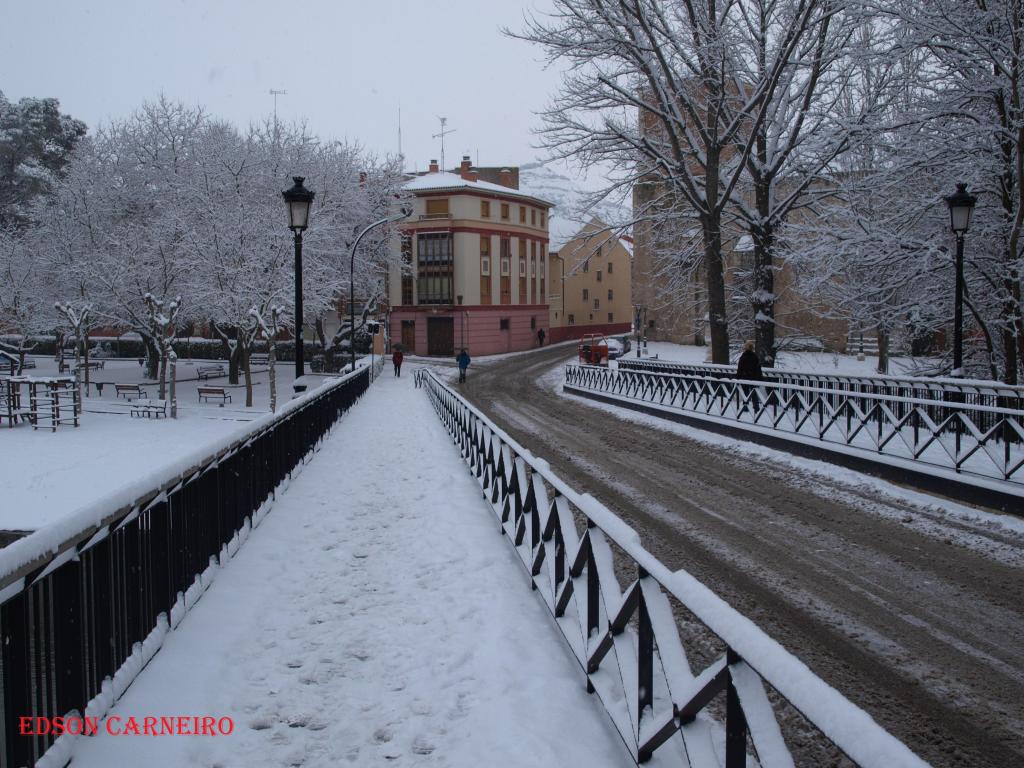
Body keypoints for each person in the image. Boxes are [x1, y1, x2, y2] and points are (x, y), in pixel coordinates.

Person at [736, 340, 762, 412]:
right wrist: (759, 378)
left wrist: (738, 377)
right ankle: (756, 406)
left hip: (745, 377)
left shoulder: (743, 356)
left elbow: (740, 368)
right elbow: (758, 368)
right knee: (754, 392)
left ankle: (745, 406)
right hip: (754, 377)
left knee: (746, 392)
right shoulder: (755, 356)